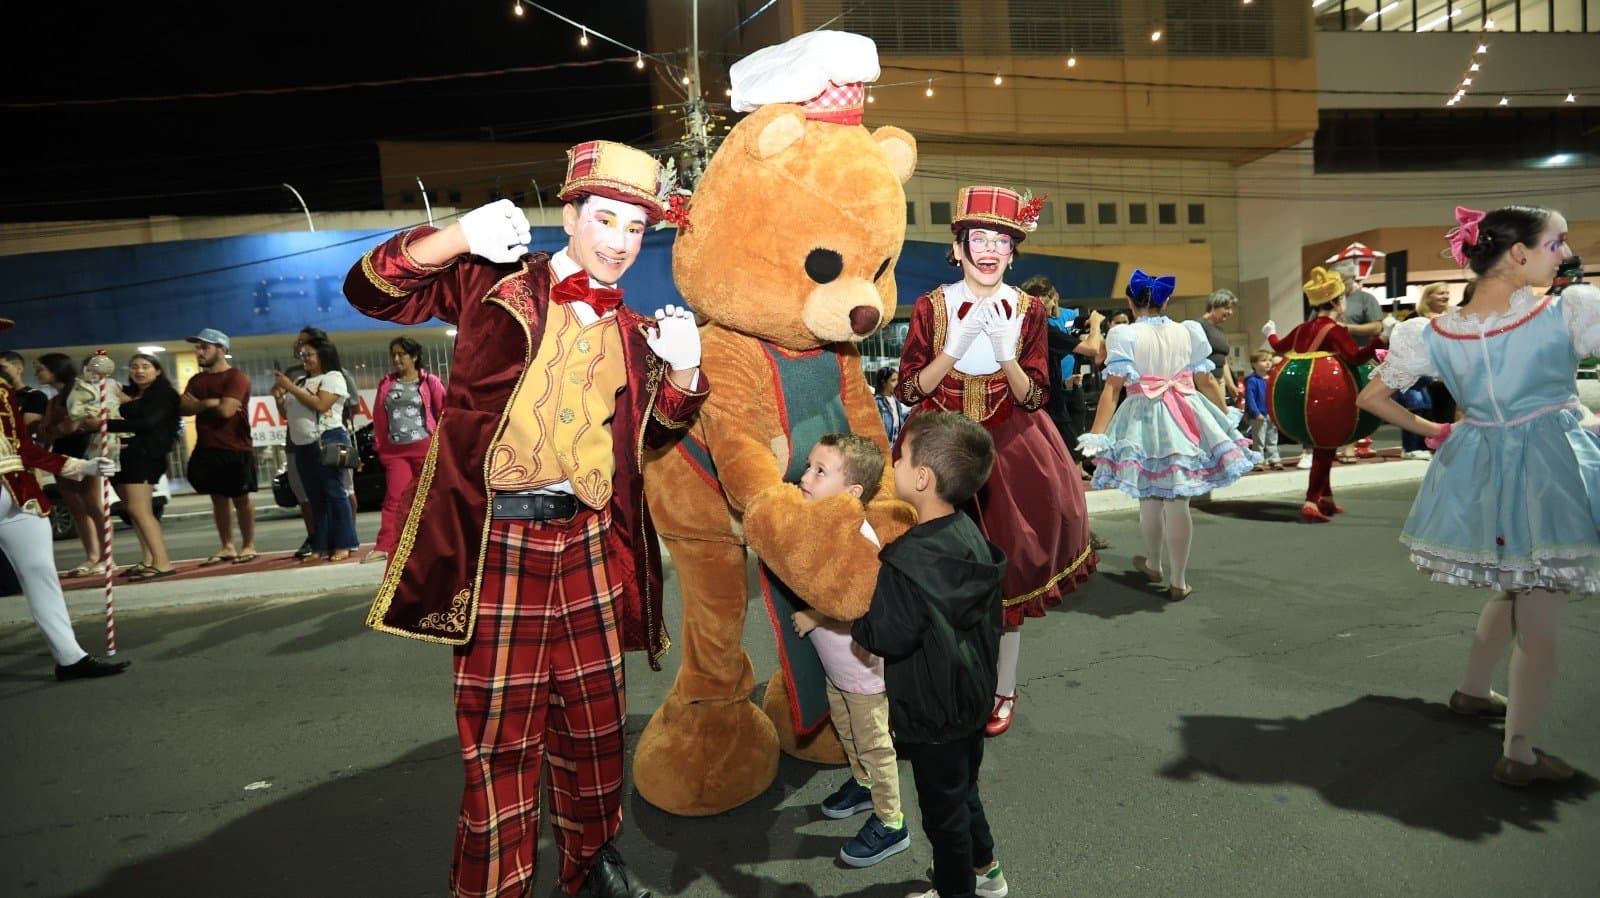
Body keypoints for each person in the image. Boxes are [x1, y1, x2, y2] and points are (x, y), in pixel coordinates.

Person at [344, 140, 707, 898]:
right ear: (569, 216)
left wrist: (683, 371)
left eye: (635, 228)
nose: (619, 241)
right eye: (604, 219)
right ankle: (493, 888)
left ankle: (591, 865)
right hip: (500, 542)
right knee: (501, 744)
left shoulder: (635, 331)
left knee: (597, 730)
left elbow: (652, 437)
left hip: (591, 542)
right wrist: (455, 236)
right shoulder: (494, 281)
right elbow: (370, 290)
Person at [1356, 204, 1590, 788]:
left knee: (1514, 584)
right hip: (1550, 467)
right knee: (1540, 615)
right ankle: (1520, 754)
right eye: (1556, 243)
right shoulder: (1564, 311)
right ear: (1519, 253)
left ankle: (1472, 691)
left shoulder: (1434, 331)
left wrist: (1436, 430)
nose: (1564, 254)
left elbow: (1372, 399)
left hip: (1481, 467)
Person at [895, 185, 1098, 739]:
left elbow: (1036, 396)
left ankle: (1002, 688)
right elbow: (910, 390)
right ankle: (940, 683)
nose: (989, 249)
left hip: (1013, 453)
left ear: (1013, 252)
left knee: (1008, 578)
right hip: (939, 451)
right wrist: (953, 349)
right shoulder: (931, 306)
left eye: (1001, 240)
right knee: (935, 578)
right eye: (978, 238)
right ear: (958, 247)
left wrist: (1007, 355)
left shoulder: (1028, 310)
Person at [851, 411, 1009, 898]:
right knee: (964, 791)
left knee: (944, 818)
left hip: (931, 710)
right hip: (971, 697)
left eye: (900, 457)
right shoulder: (969, 534)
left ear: (922, 478)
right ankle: (987, 871)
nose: (893, 464)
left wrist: (857, 618)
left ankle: (955, 890)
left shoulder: (907, 562)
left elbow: (886, 636)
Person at [1078, 271, 1258, 602]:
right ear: (1166, 301)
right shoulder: (1189, 331)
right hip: (1186, 414)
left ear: (1131, 302)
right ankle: (1178, 580)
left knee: (1150, 497)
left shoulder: (1123, 334)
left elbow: (1112, 389)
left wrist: (1097, 435)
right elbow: (1207, 380)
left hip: (1143, 418)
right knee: (1178, 501)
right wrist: (1226, 418)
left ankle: (1154, 562)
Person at [787, 433, 908, 869]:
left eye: (821, 472)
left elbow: (858, 600)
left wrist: (815, 616)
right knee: (847, 730)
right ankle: (863, 784)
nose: (806, 477)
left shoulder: (856, 537)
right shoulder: (821, 522)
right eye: (809, 466)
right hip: (837, 669)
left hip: (862, 672)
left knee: (874, 743)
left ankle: (891, 822)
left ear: (852, 492)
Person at [0, 318, 127, 681]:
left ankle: (70, 657)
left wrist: (81, 466)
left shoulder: (2, 390)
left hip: (18, 492)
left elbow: (23, 448)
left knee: (41, 574)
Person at [1263, 269, 1387, 522]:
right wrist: (1377, 342)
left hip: (1300, 398)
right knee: (1325, 449)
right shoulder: (1335, 331)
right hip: (1328, 396)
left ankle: (1326, 498)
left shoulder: (1302, 328)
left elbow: (1278, 346)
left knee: (1325, 449)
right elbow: (1355, 357)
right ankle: (1311, 500)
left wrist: (1270, 333)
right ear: (1337, 301)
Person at [272, 334, 358, 563]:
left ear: (322, 355)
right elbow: (287, 414)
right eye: (302, 355)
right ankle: (321, 545)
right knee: (315, 497)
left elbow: (321, 404)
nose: (304, 359)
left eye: (309, 354)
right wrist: (279, 398)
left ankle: (345, 543)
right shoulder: (301, 381)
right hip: (302, 444)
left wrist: (290, 387)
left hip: (327, 439)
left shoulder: (333, 377)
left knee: (335, 492)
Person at [178, 328, 258, 565]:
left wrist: (202, 404)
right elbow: (183, 408)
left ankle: (248, 545)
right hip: (207, 447)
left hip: (235, 447)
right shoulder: (197, 380)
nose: (199, 352)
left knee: (241, 499)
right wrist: (209, 403)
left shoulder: (236, 377)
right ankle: (227, 546)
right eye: (198, 347)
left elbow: (226, 411)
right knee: (218, 499)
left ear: (222, 349)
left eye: (205, 347)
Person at [368, 335, 445, 564]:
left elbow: (443, 413)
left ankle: (436, 543)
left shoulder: (430, 382)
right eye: (393, 354)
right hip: (396, 452)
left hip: (425, 448)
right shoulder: (386, 383)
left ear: (414, 356)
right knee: (394, 499)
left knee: (430, 498)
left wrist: (443, 447)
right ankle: (385, 546)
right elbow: (379, 417)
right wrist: (381, 447)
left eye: (401, 354)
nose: (396, 359)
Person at [107, 352, 180, 579]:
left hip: (146, 455)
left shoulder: (164, 394)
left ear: (157, 371)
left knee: (141, 510)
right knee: (132, 510)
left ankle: (162, 562)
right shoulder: (128, 392)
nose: (139, 371)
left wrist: (104, 424)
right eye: (134, 366)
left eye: (145, 366)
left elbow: (148, 422)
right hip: (123, 455)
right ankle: (148, 558)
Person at [36, 352, 109, 577]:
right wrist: (57, 429)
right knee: (76, 507)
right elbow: (46, 431)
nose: (37, 373)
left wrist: (60, 428)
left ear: (56, 369)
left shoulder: (80, 391)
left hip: (85, 449)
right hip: (62, 452)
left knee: (93, 504)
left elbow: (78, 424)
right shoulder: (54, 400)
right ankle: (91, 556)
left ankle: (107, 557)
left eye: (41, 369)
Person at [1330, 259, 1389, 461]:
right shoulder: (1329, 300)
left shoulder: (1365, 299)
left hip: (1359, 355)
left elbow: (1377, 327)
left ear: (1351, 279)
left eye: (1339, 280)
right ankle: (1332, 443)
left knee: (1356, 400)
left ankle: (1350, 445)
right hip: (1333, 357)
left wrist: (1348, 328)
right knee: (1335, 402)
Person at [1198, 288, 1240, 404]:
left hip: (1219, 380)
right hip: (1206, 381)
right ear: (1214, 306)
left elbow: (1224, 360)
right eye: (1227, 308)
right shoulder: (1199, 326)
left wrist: (1230, 385)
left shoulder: (1220, 330)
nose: (1230, 312)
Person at [1243, 350, 1283, 470]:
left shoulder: (1271, 379)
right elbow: (1250, 398)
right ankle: (1258, 459)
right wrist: (1255, 413)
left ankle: (1274, 458)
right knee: (1258, 439)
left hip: (1271, 414)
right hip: (1259, 414)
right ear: (1254, 364)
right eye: (1264, 360)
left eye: (1270, 360)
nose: (1268, 363)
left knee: (1272, 438)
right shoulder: (1252, 380)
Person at [874, 367, 908, 444]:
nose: (897, 383)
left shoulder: (896, 400)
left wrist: (910, 413)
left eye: (897, 380)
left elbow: (897, 419)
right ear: (883, 382)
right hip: (885, 443)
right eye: (893, 380)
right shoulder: (877, 401)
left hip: (896, 441)